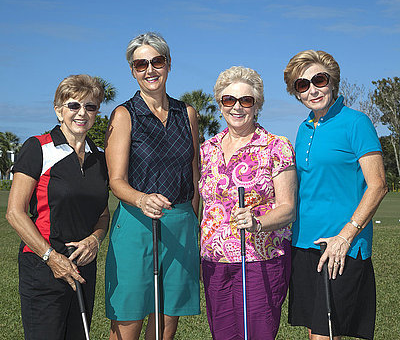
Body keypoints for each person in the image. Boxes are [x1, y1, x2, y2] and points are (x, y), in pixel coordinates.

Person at [284, 50, 387, 340]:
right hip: (304, 243)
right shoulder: (303, 129)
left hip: (342, 245)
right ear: (297, 93)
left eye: (319, 79)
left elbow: (378, 184)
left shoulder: (356, 122)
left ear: (333, 82)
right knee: (315, 330)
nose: (312, 89)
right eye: (302, 85)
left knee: (324, 334)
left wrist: (346, 235)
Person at [105, 32, 200, 340]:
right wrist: (142, 199)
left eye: (156, 61)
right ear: (132, 70)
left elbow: (195, 173)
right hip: (136, 223)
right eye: (140, 64)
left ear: (168, 65)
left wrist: (194, 222)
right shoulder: (124, 114)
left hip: (181, 224)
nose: (150, 70)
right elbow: (116, 181)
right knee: (128, 316)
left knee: (166, 320)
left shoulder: (187, 114)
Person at [6, 74, 110, 340]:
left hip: (83, 268)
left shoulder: (100, 158)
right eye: (73, 105)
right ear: (58, 110)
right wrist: (51, 258)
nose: (82, 113)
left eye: (90, 106)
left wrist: (95, 241)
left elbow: (103, 213)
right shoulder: (38, 147)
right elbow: (15, 213)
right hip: (43, 267)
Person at [199, 66, 297, 340]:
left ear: (257, 105)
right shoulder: (207, 150)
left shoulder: (276, 146)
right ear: (220, 105)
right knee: (223, 335)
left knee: (257, 335)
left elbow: (288, 208)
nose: (237, 107)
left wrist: (258, 223)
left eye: (246, 100)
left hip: (260, 260)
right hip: (214, 262)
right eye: (229, 100)